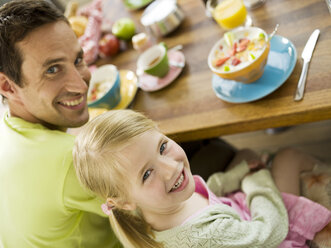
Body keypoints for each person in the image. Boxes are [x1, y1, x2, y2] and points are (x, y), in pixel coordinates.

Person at [73, 109, 331, 248]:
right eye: (147, 173)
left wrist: (238, 175)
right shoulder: (207, 236)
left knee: (245, 155)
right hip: (265, 233)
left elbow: (205, 187)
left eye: (162, 147)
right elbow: (269, 233)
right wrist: (256, 183)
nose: (170, 168)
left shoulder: (145, 210)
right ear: (123, 202)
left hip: (236, 219)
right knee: (288, 157)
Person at [0, 0, 121, 247]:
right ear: (7, 86)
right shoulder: (70, 159)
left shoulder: (7, 130)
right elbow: (159, 208)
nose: (82, 84)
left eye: (78, 60)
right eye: (53, 70)